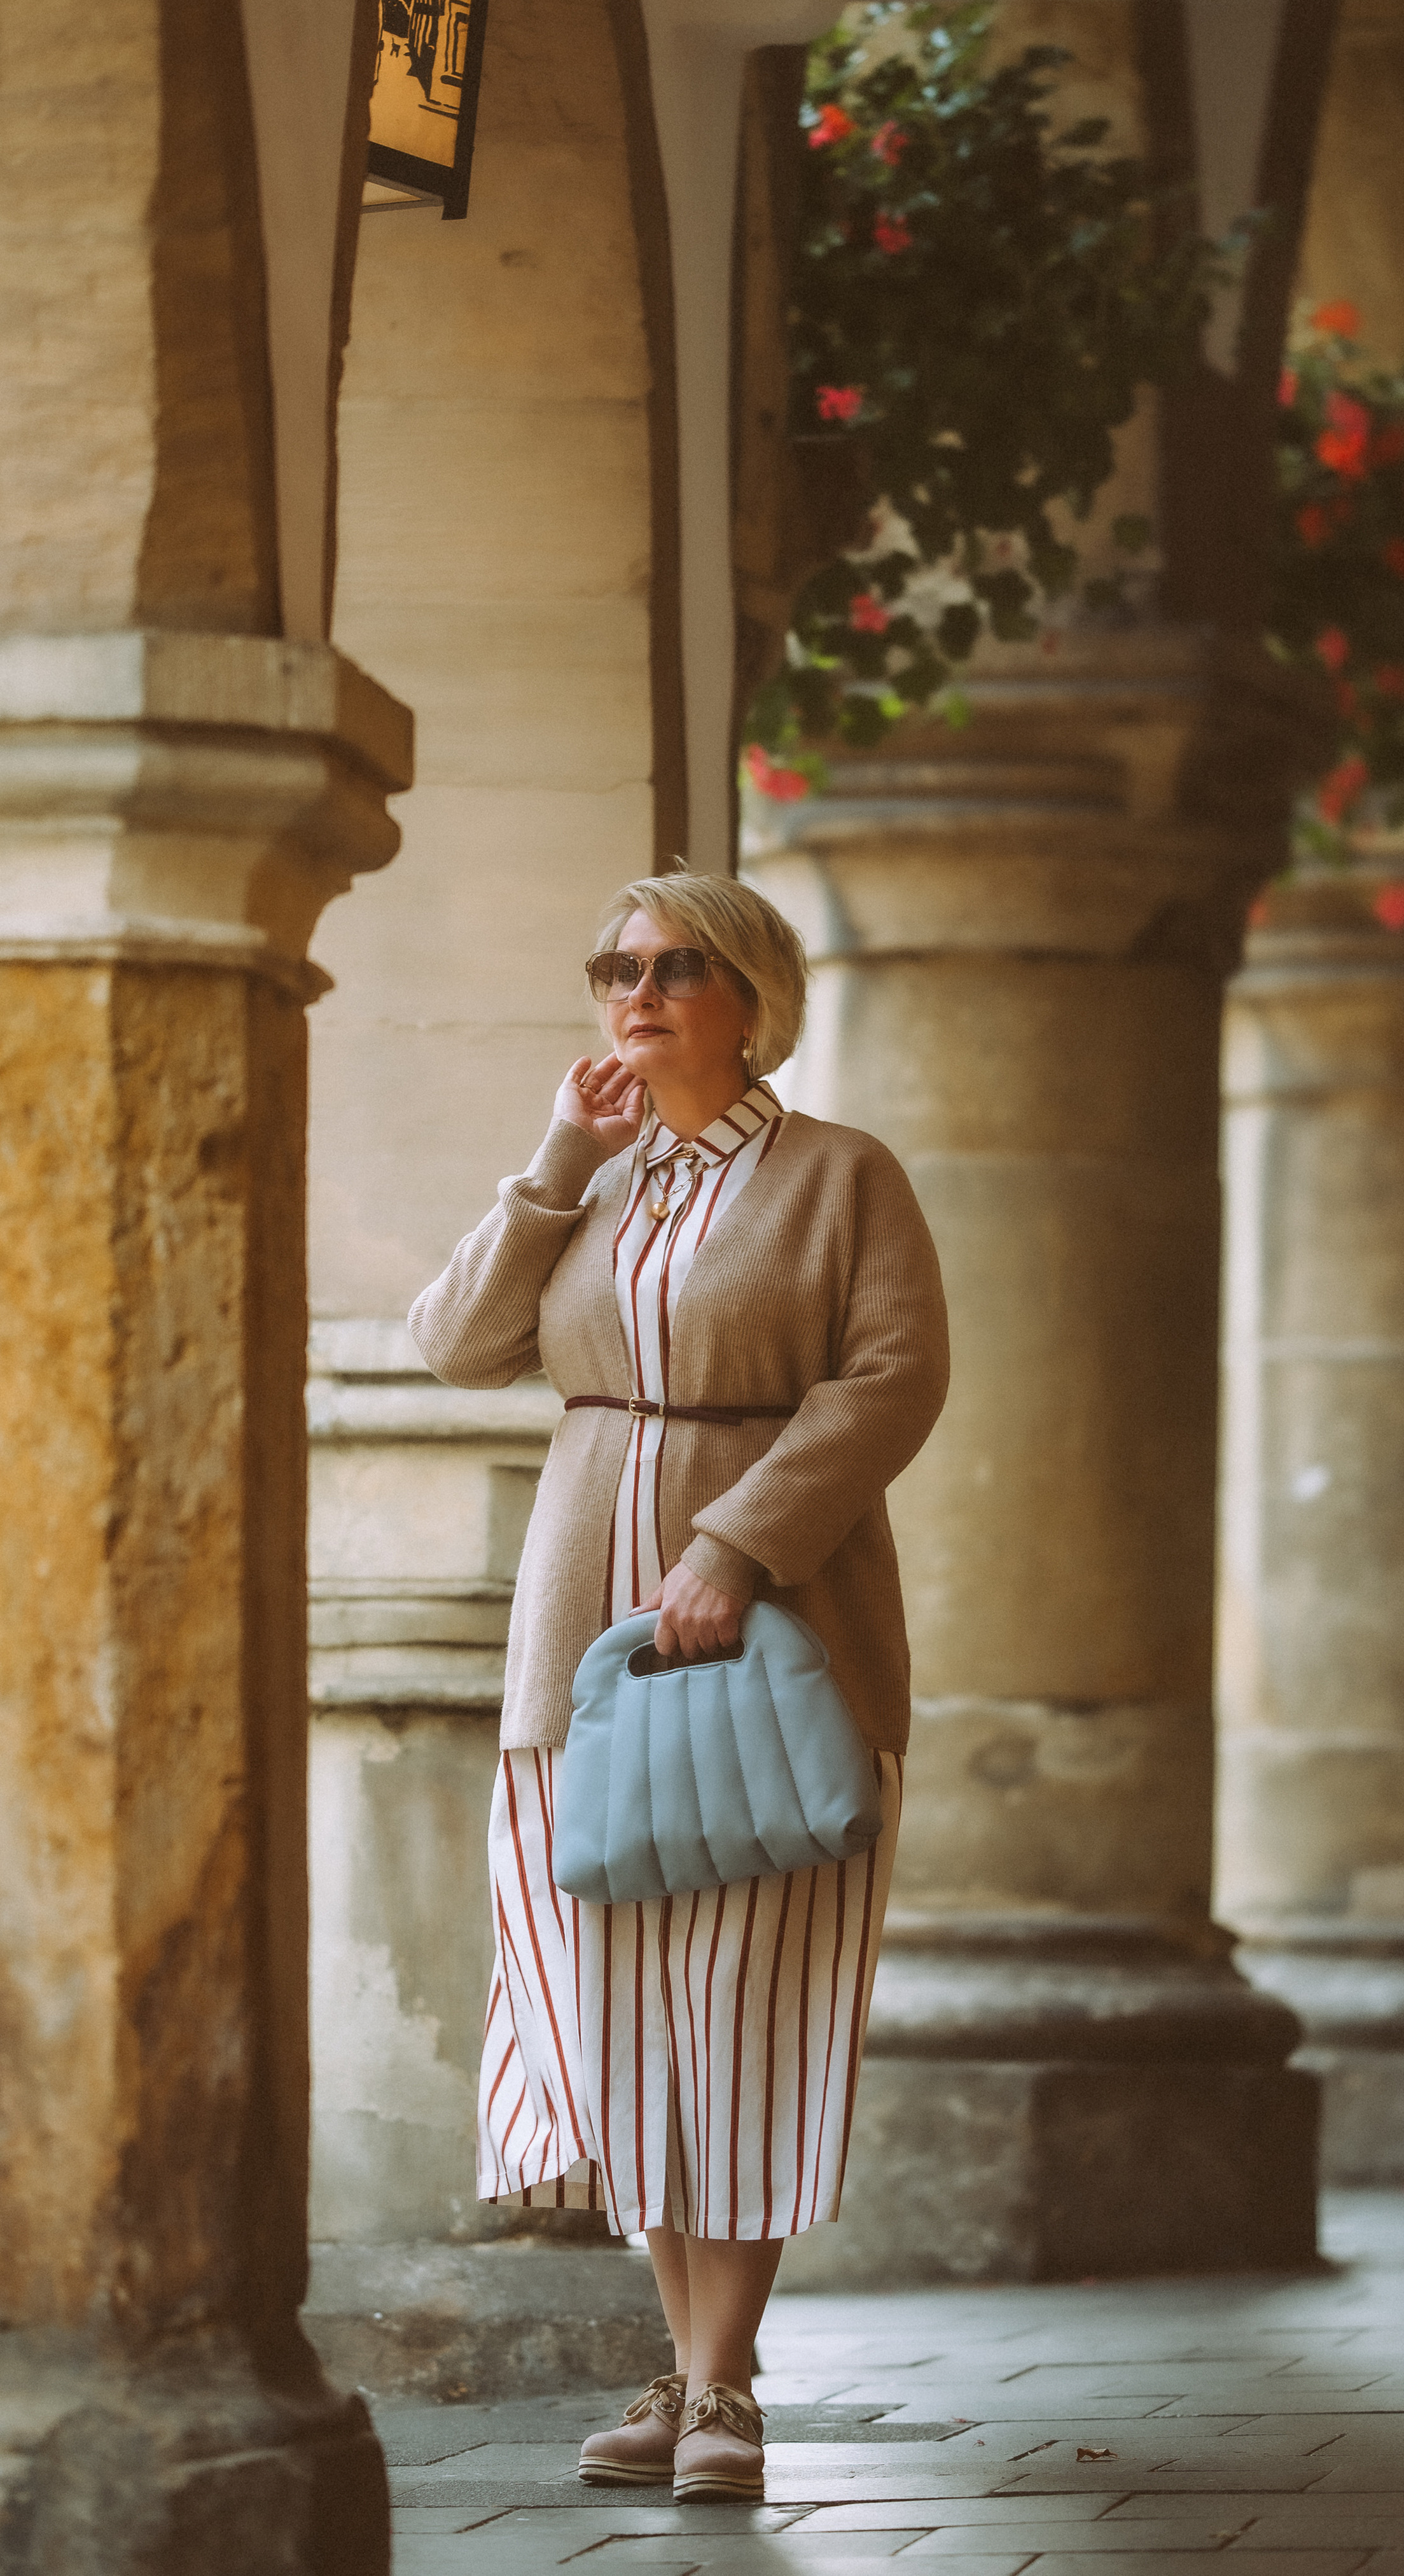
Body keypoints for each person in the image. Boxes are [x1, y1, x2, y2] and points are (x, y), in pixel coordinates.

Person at [409, 870, 950, 2501]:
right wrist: (553, 1166)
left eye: (672, 967)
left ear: (751, 997)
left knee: (747, 2008)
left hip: (774, 1649)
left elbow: (894, 1378)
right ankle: (684, 2368)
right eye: (613, 968)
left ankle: (723, 2388)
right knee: (621, 2015)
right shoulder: (597, 1178)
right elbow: (454, 1346)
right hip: (581, 1661)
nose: (632, 994)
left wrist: (735, 1546)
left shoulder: (840, 1175)